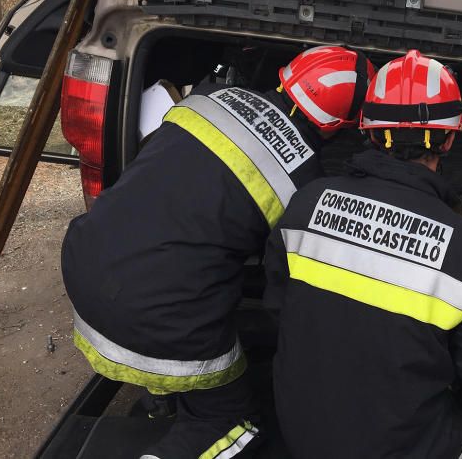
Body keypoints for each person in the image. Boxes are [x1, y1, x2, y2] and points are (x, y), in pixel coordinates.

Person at [61, 45, 375, 459]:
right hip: (156, 316)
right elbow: (292, 287)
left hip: (84, 264)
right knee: (236, 422)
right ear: (343, 125)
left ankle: (165, 395)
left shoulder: (207, 100)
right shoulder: (305, 180)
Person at [265, 50, 462, 459]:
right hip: (405, 448)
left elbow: (279, 311)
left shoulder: (306, 205)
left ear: (366, 129)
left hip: (301, 436)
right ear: (453, 137)